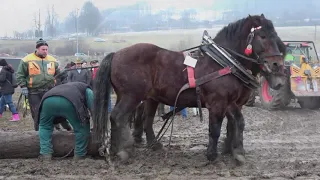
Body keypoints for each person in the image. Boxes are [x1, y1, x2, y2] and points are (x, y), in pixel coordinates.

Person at [37, 82, 93, 161]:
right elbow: (95, 110)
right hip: (69, 100)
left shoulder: (68, 86)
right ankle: (80, 155)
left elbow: (62, 115)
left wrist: (68, 128)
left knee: (44, 127)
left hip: (47, 100)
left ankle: (45, 154)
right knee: (82, 128)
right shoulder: (88, 91)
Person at [16, 38, 61, 130]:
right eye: (43, 49)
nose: (45, 51)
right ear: (37, 49)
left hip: (49, 90)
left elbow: (58, 75)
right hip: (34, 92)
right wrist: (23, 86)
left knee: (50, 110)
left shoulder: (53, 60)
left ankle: (52, 128)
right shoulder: (26, 60)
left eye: (46, 49)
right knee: (37, 112)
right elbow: (20, 75)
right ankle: (38, 130)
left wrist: (60, 81)